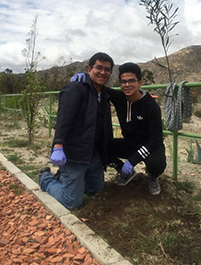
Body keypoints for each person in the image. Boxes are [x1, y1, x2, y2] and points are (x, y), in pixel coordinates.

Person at [72, 62, 166, 195]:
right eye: (123, 82)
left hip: (150, 147)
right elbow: (100, 86)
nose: (127, 85)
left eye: (131, 81)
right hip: (130, 143)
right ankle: (124, 171)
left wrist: (132, 161)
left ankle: (153, 177)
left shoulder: (151, 107)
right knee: (102, 146)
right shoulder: (119, 98)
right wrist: (86, 77)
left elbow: (155, 141)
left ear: (140, 82)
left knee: (157, 163)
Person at [39, 52, 114, 209]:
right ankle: (46, 178)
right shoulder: (75, 89)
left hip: (94, 154)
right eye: (98, 68)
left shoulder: (105, 94)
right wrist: (58, 146)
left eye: (107, 69)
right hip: (75, 154)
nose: (103, 72)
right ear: (89, 69)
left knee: (96, 190)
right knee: (72, 202)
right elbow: (63, 119)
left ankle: (66, 179)